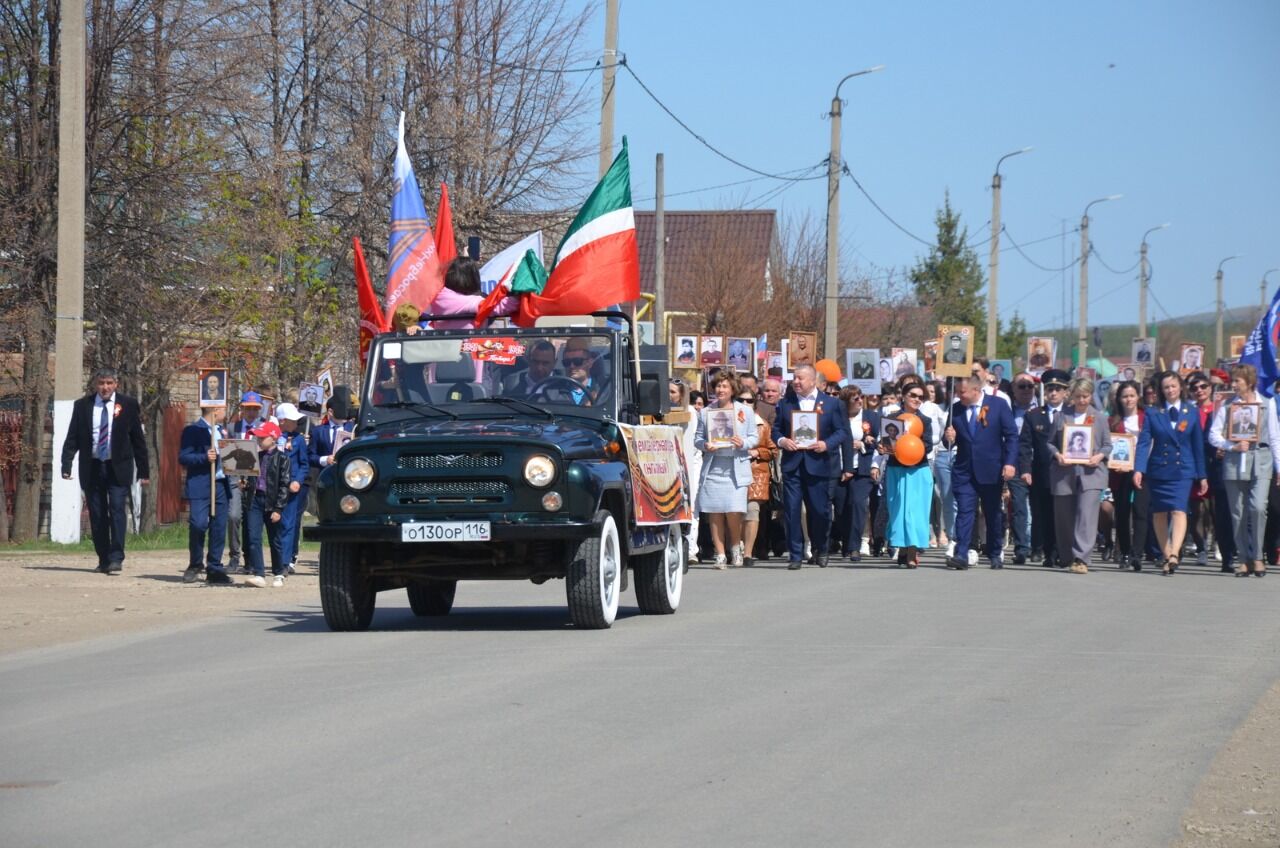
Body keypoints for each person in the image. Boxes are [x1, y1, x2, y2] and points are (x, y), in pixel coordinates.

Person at [60, 368, 150, 575]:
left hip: (117, 467)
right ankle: (103, 558)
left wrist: (143, 471)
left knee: (117, 509)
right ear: (95, 384)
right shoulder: (82, 406)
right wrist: (66, 464)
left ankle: (117, 557)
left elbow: (138, 440)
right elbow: (72, 437)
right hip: (92, 466)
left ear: (116, 384)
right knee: (98, 514)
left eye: (109, 383)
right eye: (101, 383)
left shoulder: (127, 404)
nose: (105, 387)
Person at [773, 364, 850, 569]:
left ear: (813, 380)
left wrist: (827, 444)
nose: (796, 382)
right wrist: (782, 441)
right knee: (792, 510)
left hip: (819, 464)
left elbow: (842, 432)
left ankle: (821, 548)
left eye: (800, 378)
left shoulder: (832, 404)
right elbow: (776, 430)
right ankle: (795, 555)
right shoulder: (785, 403)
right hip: (793, 465)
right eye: (794, 378)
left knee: (820, 511)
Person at [1134, 371, 1208, 575]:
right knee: (1159, 513)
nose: (1170, 390)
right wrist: (1139, 469)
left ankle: (1175, 553)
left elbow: (1197, 446)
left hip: (1183, 469)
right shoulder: (1153, 412)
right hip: (1159, 468)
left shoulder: (1191, 411)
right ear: (1161, 390)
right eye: (1166, 387)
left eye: (1173, 386)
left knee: (1178, 510)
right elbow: (1143, 443)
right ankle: (1166, 554)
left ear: (1180, 387)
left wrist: (1202, 475)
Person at [1208, 364, 1279, 577]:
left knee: (1258, 507)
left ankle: (1258, 556)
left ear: (1249, 382)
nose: (1233, 384)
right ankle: (1243, 558)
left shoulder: (1266, 404)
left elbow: (1275, 437)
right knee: (1238, 511)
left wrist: (1279, 467)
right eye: (1233, 380)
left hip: (1261, 460)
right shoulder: (1228, 406)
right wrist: (1232, 446)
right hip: (1235, 461)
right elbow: (1213, 434)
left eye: (1237, 380)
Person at [946, 375, 1019, 569]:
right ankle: (961, 553)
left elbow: (1011, 436)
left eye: (962, 392)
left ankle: (995, 552)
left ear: (976, 391)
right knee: (964, 511)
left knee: (992, 512)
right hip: (964, 471)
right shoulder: (956, 409)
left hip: (991, 469)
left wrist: (1010, 463)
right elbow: (948, 442)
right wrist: (949, 437)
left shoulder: (998, 405)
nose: (958, 396)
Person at [1046, 378, 1112, 573]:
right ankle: (1067, 556)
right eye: (1078, 397)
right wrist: (1057, 455)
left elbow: (1108, 445)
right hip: (1064, 474)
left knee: (1086, 516)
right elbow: (1050, 443)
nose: (1082, 400)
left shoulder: (1099, 417)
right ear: (1071, 396)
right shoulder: (1061, 416)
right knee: (1064, 517)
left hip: (1091, 474)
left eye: (1086, 396)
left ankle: (1081, 558)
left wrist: (1099, 456)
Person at [694, 370, 758, 568]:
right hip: (714, 467)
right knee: (714, 512)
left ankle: (735, 547)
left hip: (735, 468)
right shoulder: (706, 412)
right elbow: (698, 439)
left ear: (732, 389)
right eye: (718, 386)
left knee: (733, 511)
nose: (720, 390)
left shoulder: (744, 411)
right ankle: (720, 554)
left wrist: (743, 443)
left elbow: (754, 437)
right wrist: (706, 445)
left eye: (724, 386)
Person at [178, 403, 233, 584]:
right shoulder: (193, 430)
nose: (225, 412)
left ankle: (215, 567)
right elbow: (184, 457)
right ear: (215, 410)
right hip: (201, 484)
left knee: (218, 527)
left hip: (220, 485)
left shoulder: (223, 432)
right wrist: (204, 457)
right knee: (198, 524)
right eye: (223, 409)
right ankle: (195, 563)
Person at [1021, 369, 1071, 567]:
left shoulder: (1071, 414)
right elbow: (1025, 445)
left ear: (1065, 392)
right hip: (1041, 471)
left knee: (1063, 513)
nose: (1053, 393)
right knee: (1042, 512)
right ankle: (1044, 549)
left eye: (1058, 389)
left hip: (1066, 472)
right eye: (1050, 388)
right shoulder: (1034, 415)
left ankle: (1062, 550)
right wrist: (1025, 469)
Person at [883, 379, 933, 567]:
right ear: (903, 396)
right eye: (912, 395)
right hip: (897, 469)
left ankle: (912, 552)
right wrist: (885, 447)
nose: (916, 399)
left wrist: (913, 446)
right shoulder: (892, 418)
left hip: (918, 470)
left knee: (916, 511)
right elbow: (888, 446)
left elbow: (927, 445)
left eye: (920, 397)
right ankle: (902, 549)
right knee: (899, 510)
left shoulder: (925, 420)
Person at [1188, 374, 1234, 570]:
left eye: (1203, 386)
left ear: (1210, 388)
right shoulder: (1189, 410)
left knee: (1218, 510)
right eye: (1194, 387)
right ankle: (1201, 547)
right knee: (1196, 511)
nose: (1199, 390)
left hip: (1216, 463)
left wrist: (1222, 447)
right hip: (1195, 464)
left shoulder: (1219, 408)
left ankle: (1224, 551)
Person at [832, 385, 880, 561]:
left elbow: (879, 442)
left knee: (858, 504)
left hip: (862, 468)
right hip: (841, 467)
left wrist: (864, 444)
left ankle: (855, 546)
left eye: (861, 397)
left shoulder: (871, 417)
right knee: (842, 507)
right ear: (845, 402)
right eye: (855, 399)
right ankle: (845, 543)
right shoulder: (837, 417)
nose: (860, 401)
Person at [242, 421, 291, 587]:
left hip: (271, 502)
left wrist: (278, 508)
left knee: (275, 539)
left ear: (273, 438)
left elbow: (284, 485)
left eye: (262, 438)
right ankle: (259, 573)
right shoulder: (254, 456)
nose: (259, 441)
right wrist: (245, 484)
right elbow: (250, 479)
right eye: (257, 438)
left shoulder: (283, 459)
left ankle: (278, 572)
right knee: (253, 537)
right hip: (255, 500)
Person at [225, 391, 267, 574]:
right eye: (248, 409)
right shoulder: (232, 427)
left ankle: (250, 559)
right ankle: (234, 556)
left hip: (255, 478)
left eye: (255, 409)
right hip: (235, 476)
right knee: (233, 516)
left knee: (251, 520)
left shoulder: (264, 428)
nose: (251, 413)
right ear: (242, 409)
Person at [273, 402, 310, 580]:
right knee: (273, 527)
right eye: (292, 420)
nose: (296, 424)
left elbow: (304, 464)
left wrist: (298, 480)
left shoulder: (299, 440)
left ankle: (284, 563)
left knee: (288, 525)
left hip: (290, 489)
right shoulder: (271, 437)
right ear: (282, 421)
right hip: (272, 488)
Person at [740, 385, 775, 567]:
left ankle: (747, 553)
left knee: (752, 510)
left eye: (749, 400)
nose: (745, 403)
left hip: (755, 473)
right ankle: (735, 548)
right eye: (741, 400)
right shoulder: (725, 421)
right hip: (731, 472)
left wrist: (758, 453)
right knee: (734, 513)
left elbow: (773, 451)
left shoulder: (762, 424)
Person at [428, 257, 518, 329]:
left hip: (443, 347)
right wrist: (519, 297)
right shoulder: (468, 301)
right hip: (465, 348)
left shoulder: (438, 296)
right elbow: (492, 307)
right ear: (473, 277)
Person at [670, 379, 703, 564]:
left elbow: (690, 444)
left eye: (673, 392)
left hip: (691, 464)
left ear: (682, 395)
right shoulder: (661, 411)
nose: (669, 395)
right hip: (672, 464)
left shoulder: (690, 412)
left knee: (692, 507)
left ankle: (691, 549)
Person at [1006, 373, 1038, 564]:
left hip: (1039, 464)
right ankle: (1021, 548)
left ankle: (1039, 546)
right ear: (1013, 389)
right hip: (1016, 463)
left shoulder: (1043, 409)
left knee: (1039, 507)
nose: (1026, 390)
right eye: (1022, 386)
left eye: (1030, 386)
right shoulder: (1007, 410)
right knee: (1019, 507)